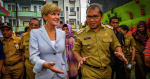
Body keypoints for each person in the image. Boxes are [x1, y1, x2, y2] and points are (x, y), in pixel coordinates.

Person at [73, 3, 128, 79]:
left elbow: (116, 45)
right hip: (89, 71)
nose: (92, 20)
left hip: (107, 71)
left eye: (95, 16)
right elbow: (75, 50)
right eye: (89, 17)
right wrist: (79, 59)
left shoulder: (109, 31)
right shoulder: (81, 34)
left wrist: (119, 52)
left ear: (101, 16)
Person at [29, 3, 68, 79]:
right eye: (53, 14)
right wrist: (45, 64)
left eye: (58, 14)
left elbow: (63, 56)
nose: (57, 17)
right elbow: (33, 56)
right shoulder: (35, 33)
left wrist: (66, 71)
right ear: (45, 16)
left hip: (61, 74)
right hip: (44, 74)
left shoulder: (62, 33)